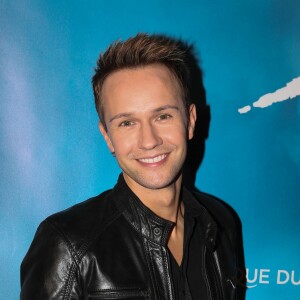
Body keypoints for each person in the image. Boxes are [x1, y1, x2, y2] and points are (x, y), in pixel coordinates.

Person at [21, 33, 245, 299]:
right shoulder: (68, 245)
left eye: (163, 116)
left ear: (191, 120)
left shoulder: (220, 222)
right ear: (107, 136)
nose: (149, 141)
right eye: (127, 123)